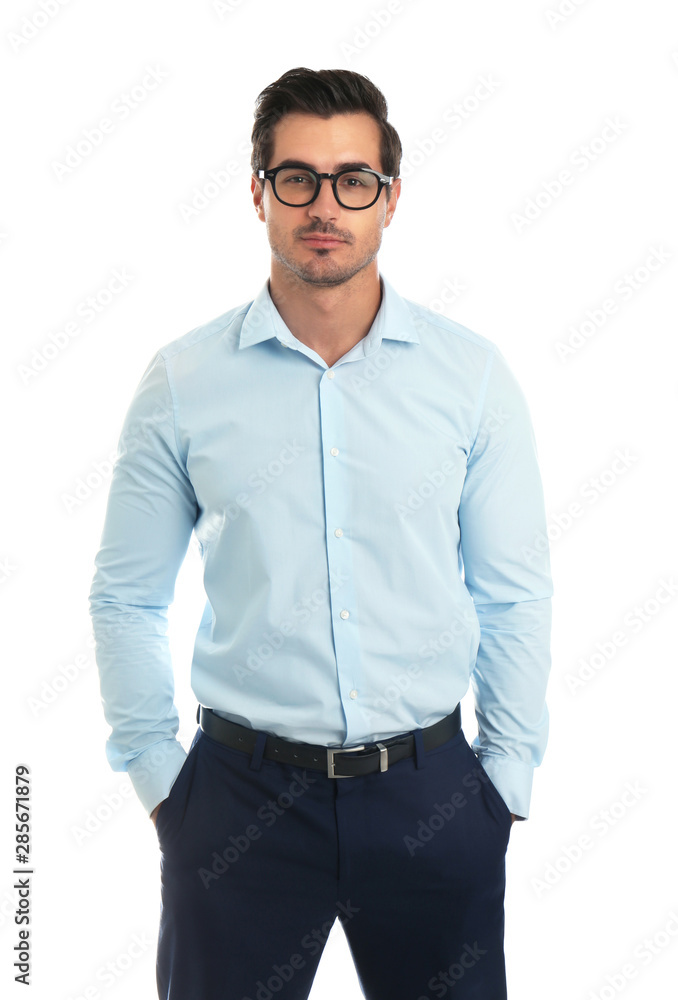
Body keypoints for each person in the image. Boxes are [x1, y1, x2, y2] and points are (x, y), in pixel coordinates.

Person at [89, 66, 553, 1000]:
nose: (324, 205)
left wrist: (502, 783)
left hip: (432, 795)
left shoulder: (469, 378)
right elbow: (126, 595)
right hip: (239, 803)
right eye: (297, 178)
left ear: (390, 199)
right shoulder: (183, 381)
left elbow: (513, 593)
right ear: (259, 192)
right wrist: (161, 785)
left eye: (353, 180)